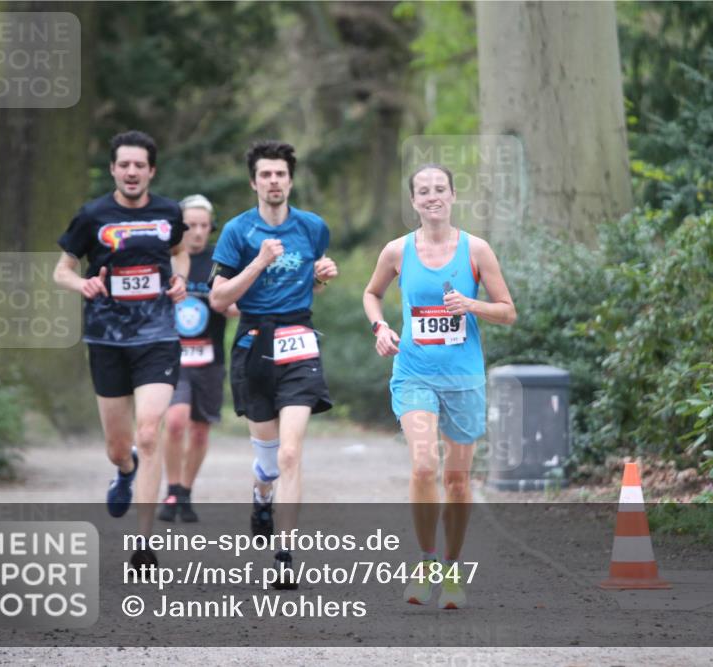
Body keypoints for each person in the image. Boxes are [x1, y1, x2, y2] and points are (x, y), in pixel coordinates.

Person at [362, 164, 516, 609]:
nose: (432, 197)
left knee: (457, 480)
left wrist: (471, 304)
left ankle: (451, 567)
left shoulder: (476, 250)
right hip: (413, 372)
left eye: (440, 189)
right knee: (425, 465)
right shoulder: (396, 251)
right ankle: (426, 562)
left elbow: (507, 311)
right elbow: (372, 293)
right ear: (413, 201)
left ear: (452, 196)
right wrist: (380, 328)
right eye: (423, 191)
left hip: (463, 378)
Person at [53, 130, 189, 568]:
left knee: (150, 433)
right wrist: (82, 283)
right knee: (120, 445)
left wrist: (180, 278)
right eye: (123, 165)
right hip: (107, 339)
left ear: (151, 170)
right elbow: (62, 270)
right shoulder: (92, 215)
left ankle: (143, 544)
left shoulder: (169, 212)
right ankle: (124, 471)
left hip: (159, 336)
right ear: (113, 169)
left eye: (139, 165)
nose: (131, 172)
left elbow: (180, 251)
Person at [209, 140, 337, 588]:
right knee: (266, 459)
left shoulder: (313, 227)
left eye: (280, 173)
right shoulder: (236, 231)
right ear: (254, 182)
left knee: (290, 451)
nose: (274, 181)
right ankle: (261, 493)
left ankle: (285, 554)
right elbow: (219, 297)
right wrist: (259, 263)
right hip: (252, 342)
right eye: (265, 174)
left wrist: (320, 278)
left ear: (290, 179)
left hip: (299, 340)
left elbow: (309, 282)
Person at [158, 194, 237, 523]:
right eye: (190, 225)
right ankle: (172, 490)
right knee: (175, 422)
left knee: (201, 431)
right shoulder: (166, 260)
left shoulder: (219, 262)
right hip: (170, 356)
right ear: (179, 227)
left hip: (210, 358)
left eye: (205, 226)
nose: (198, 232)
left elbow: (234, 307)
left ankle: (186, 492)